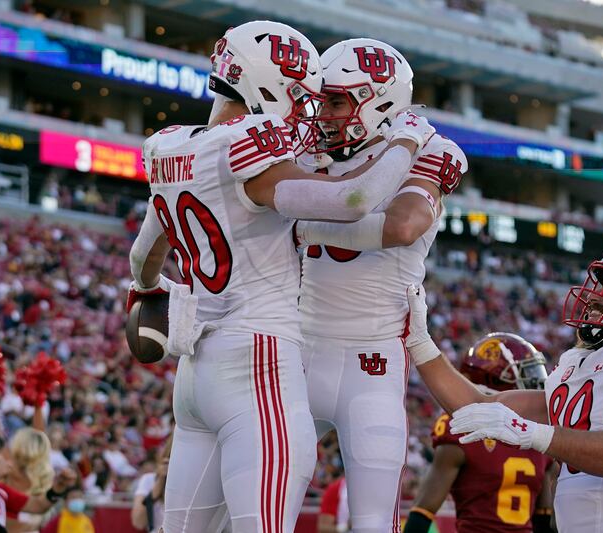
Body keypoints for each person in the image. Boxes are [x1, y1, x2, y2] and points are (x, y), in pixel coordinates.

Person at [126, 21, 433, 533]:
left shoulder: (169, 145)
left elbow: (143, 254)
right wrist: (406, 138)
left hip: (195, 376)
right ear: (264, 83)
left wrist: (148, 292)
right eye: (298, 90)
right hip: (258, 362)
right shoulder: (248, 142)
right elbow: (351, 201)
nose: (306, 103)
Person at [404, 243, 603, 532]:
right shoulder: (585, 364)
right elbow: (476, 404)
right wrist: (419, 341)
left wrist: (532, 434)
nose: (597, 295)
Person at [293, 38, 466, 533]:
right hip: (297, 349)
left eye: (336, 100)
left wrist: (301, 225)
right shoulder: (306, 148)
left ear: (381, 104)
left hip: (373, 360)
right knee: (264, 509)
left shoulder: (429, 150)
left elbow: (405, 225)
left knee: (372, 521)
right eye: (320, 99)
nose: (321, 113)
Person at [403, 333, 555, 533]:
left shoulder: (537, 427)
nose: (537, 384)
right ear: (496, 378)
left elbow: (544, 518)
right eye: (529, 375)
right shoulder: (463, 424)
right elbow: (423, 510)